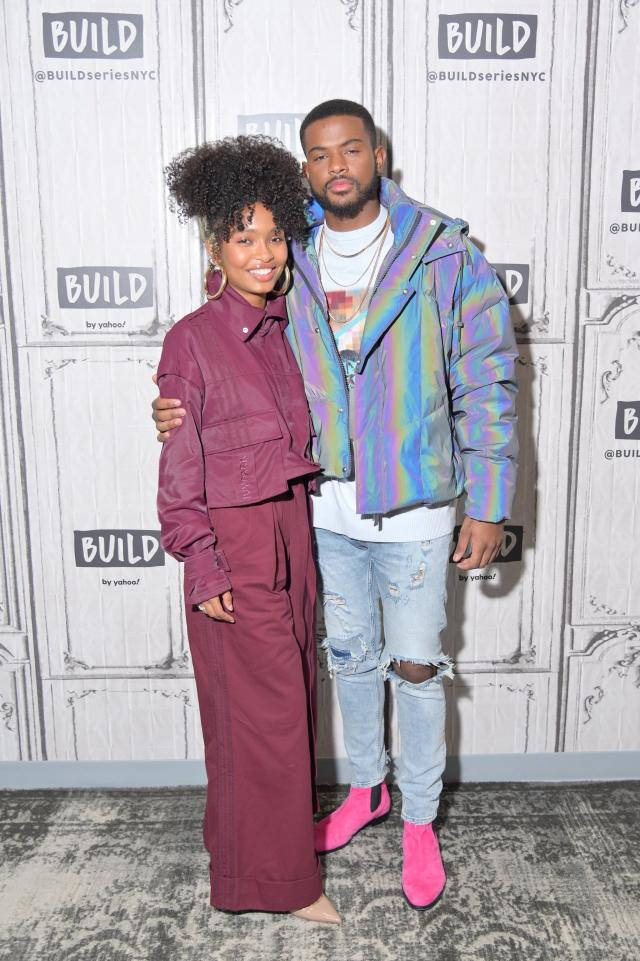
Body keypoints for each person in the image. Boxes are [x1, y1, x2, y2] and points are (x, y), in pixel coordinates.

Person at [153, 101, 519, 911]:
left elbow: (489, 381)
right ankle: (369, 789)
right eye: (319, 155)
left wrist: (489, 503)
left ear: (379, 153)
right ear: (305, 170)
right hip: (322, 507)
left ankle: (419, 818)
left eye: (352, 148)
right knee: (349, 660)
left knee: (417, 667)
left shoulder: (443, 253)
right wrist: (178, 403)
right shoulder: (297, 247)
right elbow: (230, 333)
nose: (338, 165)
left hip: (419, 509)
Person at [156, 135, 341, 924]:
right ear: (214, 247)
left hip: (291, 532)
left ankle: (247, 847)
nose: (262, 253)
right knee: (259, 717)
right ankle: (277, 888)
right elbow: (178, 470)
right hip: (235, 543)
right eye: (243, 237)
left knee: (287, 705)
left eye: (273, 236)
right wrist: (203, 565)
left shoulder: (287, 328)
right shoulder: (192, 340)